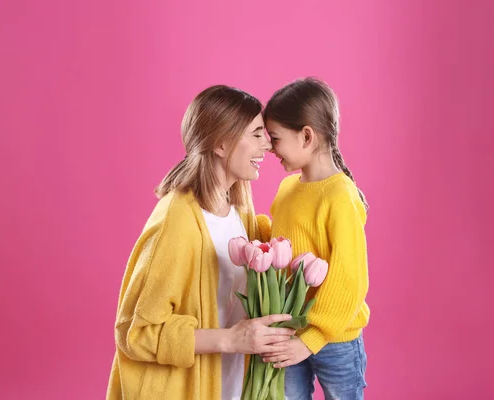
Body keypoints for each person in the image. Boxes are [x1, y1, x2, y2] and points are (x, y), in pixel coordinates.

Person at [106, 85, 295, 400]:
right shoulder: (176, 222)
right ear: (221, 143)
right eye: (256, 134)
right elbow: (136, 334)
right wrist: (230, 340)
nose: (268, 145)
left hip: (230, 386)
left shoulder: (239, 204)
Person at [261, 77, 370, 400]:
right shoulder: (287, 190)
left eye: (276, 138)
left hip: (335, 338)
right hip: (290, 331)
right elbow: (283, 243)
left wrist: (311, 339)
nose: (269, 148)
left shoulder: (340, 196)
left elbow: (347, 279)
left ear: (306, 136)